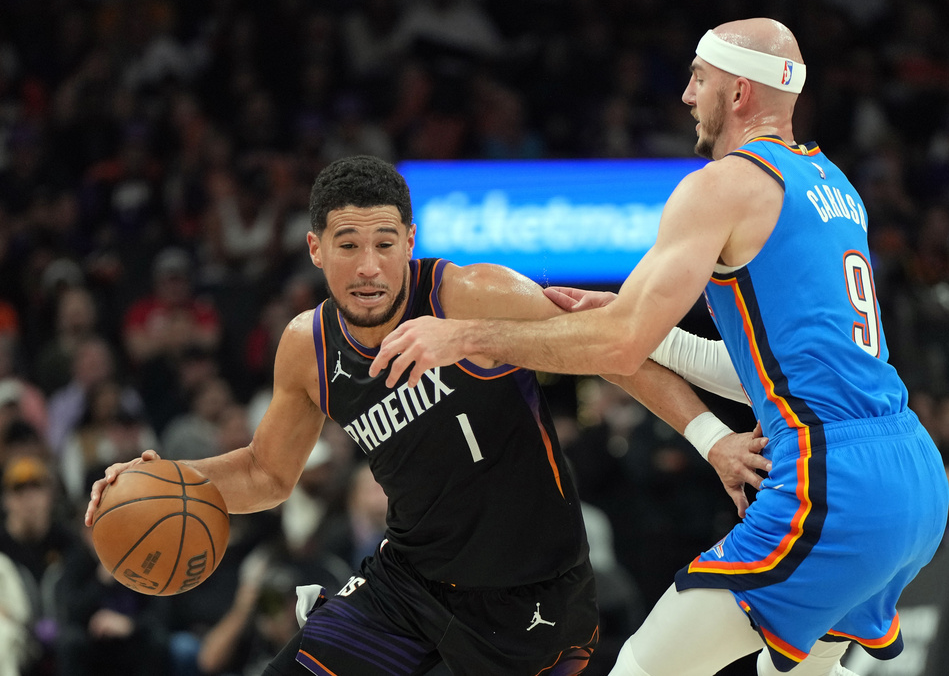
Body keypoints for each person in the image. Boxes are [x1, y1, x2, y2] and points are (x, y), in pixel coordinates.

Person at [370, 18, 949, 676]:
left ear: (737, 93)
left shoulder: (722, 185)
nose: (684, 94)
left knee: (644, 667)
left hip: (834, 484)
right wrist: (663, 336)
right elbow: (781, 375)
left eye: (699, 77)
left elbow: (618, 346)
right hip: (911, 475)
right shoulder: (835, 188)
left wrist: (464, 336)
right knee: (800, 671)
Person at [85, 155, 766, 675]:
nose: (369, 265)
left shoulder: (475, 292)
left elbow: (618, 350)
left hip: (535, 598)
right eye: (348, 244)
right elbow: (268, 473)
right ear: (316, 248)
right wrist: (170, 477)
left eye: (385, 241)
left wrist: (713, 442)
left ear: (410, 238)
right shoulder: (307, 348)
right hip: (408, 583)